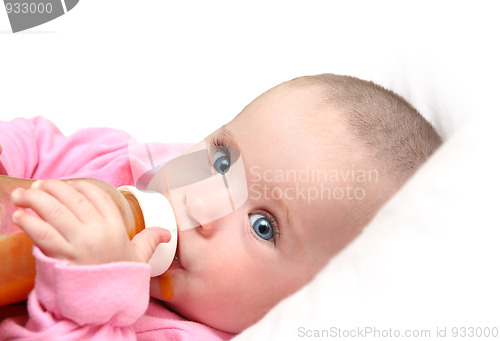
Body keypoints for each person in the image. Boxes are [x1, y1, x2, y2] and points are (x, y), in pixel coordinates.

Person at [0, 74, 442, 340]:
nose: (202, 206)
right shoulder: (121, 165)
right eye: (222, 160)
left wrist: (92, 296)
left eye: (263, 226)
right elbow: (36, 143)